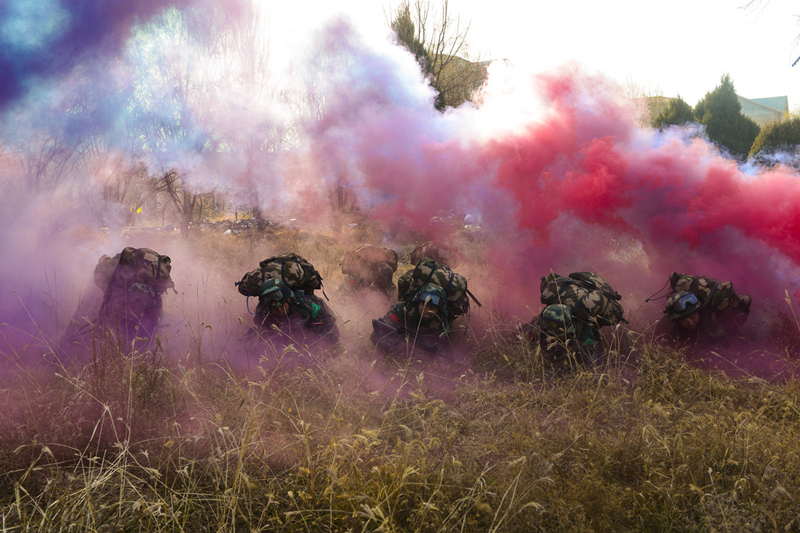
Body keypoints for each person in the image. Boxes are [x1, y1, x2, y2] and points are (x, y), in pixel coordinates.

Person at [523, 271, 625, 366]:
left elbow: (594, 355)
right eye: (553, 335)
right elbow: (529, 335)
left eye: (560, 336)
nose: (555, 338)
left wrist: (582, 351)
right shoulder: (545, 319)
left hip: (586, 318)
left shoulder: (585, 326)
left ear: (569, 328)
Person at [656, 272, 751, 343]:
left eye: (693, 317)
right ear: (677, 320)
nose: (690, 323)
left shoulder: (713, 321)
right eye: (684, 320)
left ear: (698, 311)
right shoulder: (666, 326)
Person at [251, 278, 339, 345]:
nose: (279, 309)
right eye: (274, 308)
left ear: (288, 299)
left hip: (315, 326)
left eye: (281, 305)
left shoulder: (306, 304)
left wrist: (314, 343)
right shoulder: (263, 314)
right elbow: (255, 335)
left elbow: (332, 329)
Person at [371, 283, 451, 356]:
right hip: (396, 340)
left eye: (433, 307)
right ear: (418, 302)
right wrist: (397, 345)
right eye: (424, 304)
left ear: (439, 309)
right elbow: (381, 328)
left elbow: (442, 349)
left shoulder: (442, 324)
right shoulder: (403, 309)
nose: (427, 310)